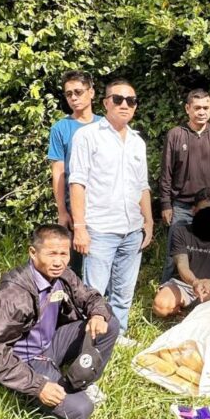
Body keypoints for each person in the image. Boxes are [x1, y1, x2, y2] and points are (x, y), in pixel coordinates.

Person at [0, 224, 119, 419]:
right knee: (81, 410)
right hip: (24, 360)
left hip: (50, 344)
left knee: (109, 323)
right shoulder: (12, 296)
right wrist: (38, 386)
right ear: (33, 253)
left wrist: (98, 314)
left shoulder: (62, 275)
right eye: (51, 254)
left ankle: (83, 381)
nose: (58, 261)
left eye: (63, 254)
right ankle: (28, 395)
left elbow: (89, 296)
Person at [68, 79, 153, 344]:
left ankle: (118, 335)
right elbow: (77, 182)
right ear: (106, 103)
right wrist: (79, 227)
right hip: (100, 228)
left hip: (132, 229)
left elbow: (142, 185)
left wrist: (149, 222)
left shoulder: (137, 142)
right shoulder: (88, 136)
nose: (125, 104)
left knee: (124, 291)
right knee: (94, 291)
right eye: (118, 99)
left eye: (131, 100)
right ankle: (91, 340)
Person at [158, 89, 210, 283]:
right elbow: (166, 172)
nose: (201, 112)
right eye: (197, 107)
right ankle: (166, 288)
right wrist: (165, 204)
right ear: (187, 108)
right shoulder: (175, 134)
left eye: (206, 108)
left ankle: (206, 290)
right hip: (182, 206)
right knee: (174, 255)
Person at [47, 71, 101, 276]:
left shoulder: (106, 126)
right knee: (73, 268)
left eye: (78, 92)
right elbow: (59, 172)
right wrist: (62, 211)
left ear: (91, 92)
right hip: (75, 207)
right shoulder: (61, 128)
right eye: (69, 94)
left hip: (104, 207)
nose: (73, 98)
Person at [152, 188, 210, 317]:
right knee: (160, 306)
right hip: (184, 285)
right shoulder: (181, 232)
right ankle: (190, 309)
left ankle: (194, 307)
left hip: (209, 287)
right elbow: (182, 266)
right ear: (194, 210)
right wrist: (195, 282)